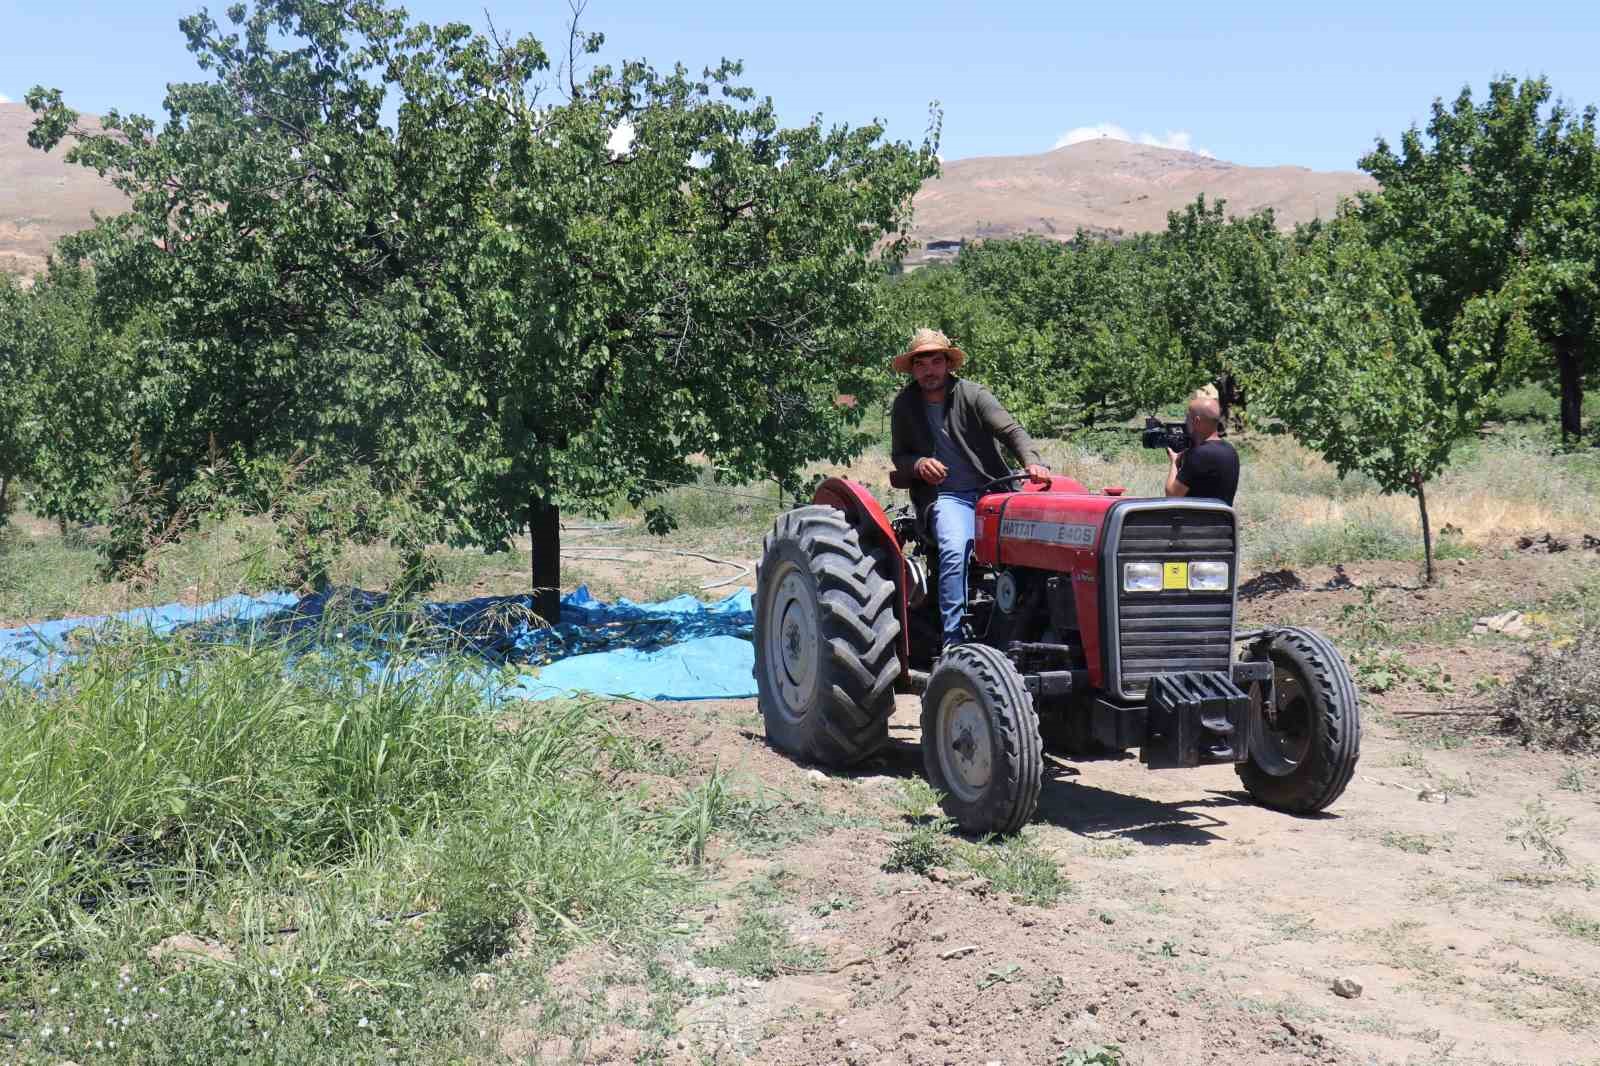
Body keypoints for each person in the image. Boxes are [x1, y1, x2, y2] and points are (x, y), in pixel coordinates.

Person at [890, 328, 1050, 651]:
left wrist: (1033, 462)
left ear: (948, 364)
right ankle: (954, 642)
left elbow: (1011, 431)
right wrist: (919, 464)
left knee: (1041, 543)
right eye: (921, 364)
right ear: (913, 370)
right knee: (954, 547)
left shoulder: (973, 395)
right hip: (947, 497)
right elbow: (899, 457)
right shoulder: (905, 405)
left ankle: (1032, 628)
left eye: (936, 362)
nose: (929, 370)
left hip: (992, 490)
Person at [1165, 391, 1239, 506]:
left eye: (1187, 417)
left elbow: (1172, 495)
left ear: (1196, 421)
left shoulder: (1198, 455)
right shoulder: (1231, 450)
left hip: (1194, 518)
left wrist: (1175, 462)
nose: (1185, 422)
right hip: (1222, 517)